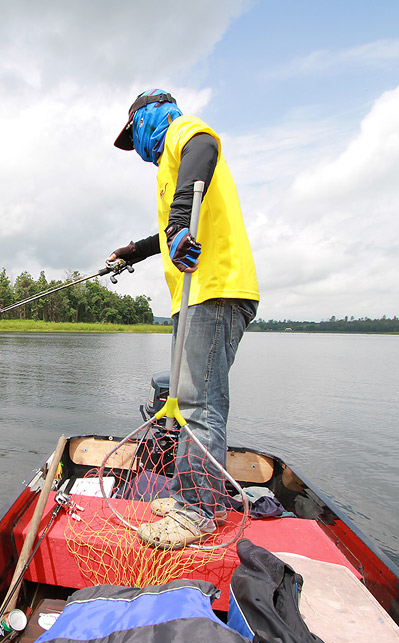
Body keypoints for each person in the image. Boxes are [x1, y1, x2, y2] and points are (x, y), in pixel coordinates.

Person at [108, 89, 259, 549]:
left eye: (133, 134)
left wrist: (177, 226)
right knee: (185, 398)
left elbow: (205, 147)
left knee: (199, 404)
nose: (137, 148)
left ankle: (200, 511)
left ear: (148, 115)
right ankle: (186, 494)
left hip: (214, 289)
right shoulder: (170, 171)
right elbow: (174, 223)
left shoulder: (183, 134)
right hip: (194, 300)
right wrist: (137, 250)